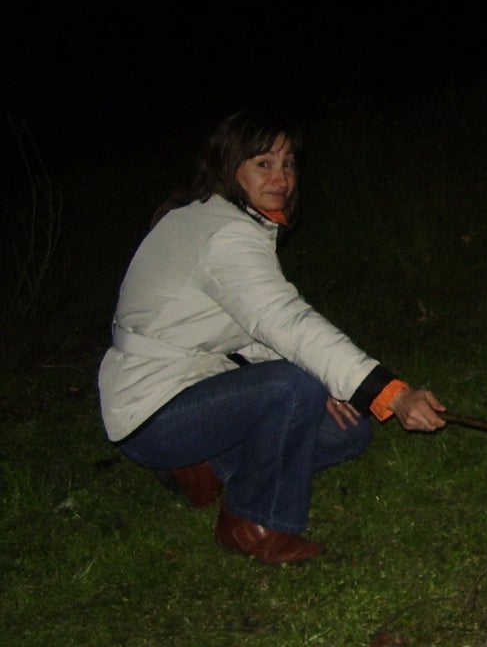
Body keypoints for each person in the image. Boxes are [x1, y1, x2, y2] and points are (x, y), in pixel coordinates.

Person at [98, 108, 447, 564]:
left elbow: (252, 329)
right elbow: (285, 321)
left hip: (196, 386)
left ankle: (205, 466)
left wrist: (326, 384)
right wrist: (389, 392)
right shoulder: (223, 234)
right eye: (263, 163)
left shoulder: (225, 221)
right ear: (229, 165)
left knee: (347, 432)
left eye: (287, 163)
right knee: (294, 384)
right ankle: (252, 521)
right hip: (155, 411)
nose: (280, 176)